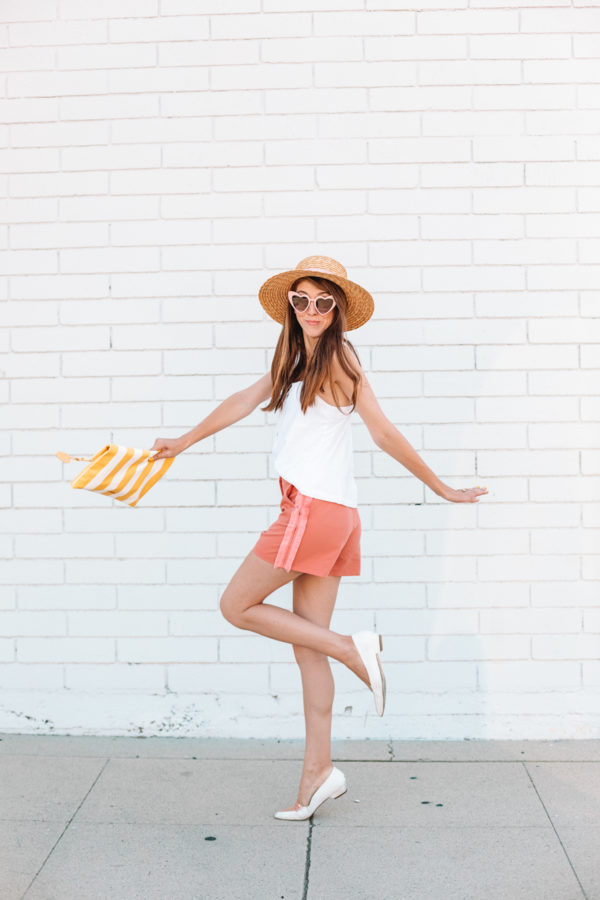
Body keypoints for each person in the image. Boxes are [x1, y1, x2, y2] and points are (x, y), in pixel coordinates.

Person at [151, 255, 488, 821]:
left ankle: (352, 648)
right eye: (301, 299)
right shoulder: (293, 355)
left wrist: (443, 488)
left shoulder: (339, 360)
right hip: (328, 512)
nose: (310, 310)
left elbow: (383, 431)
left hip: (314, 511)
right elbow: (245, 398)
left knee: (236, 605)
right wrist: (184, 441)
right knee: (307, 649)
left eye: (322, 302)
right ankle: (318, 773)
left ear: (338, 311)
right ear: (291, 303)